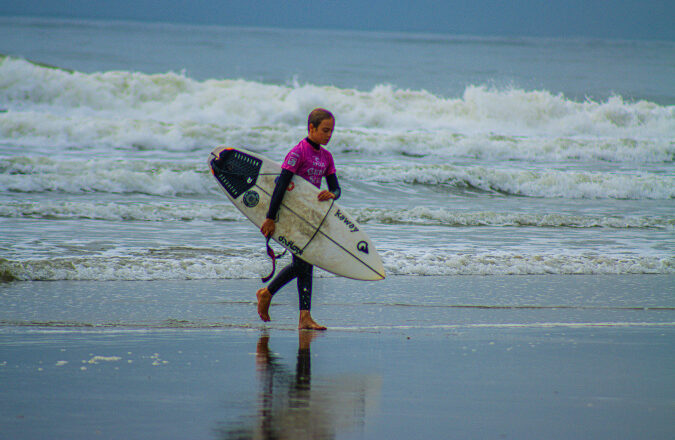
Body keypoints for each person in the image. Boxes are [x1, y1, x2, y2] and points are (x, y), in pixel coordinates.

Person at [256, 108, 341, 330]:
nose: (329, 135)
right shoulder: (298, 152)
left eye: (331, 131)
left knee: (304, 263)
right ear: (311, 128)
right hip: (291, 215)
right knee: (304, 262)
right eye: (325, 130)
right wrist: (271, 218)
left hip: (311, 217)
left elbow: (336, 188)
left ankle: (276, 298)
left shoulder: (326, 157)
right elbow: (281, 184)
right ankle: (274, 297)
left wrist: (332, 194)